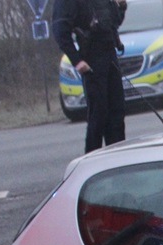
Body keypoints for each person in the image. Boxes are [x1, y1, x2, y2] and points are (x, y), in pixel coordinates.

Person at [53, 0, 128, 153]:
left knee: (117, 113)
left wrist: (121, 7)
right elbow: (60, 30)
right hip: (91, 58)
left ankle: (119, 159)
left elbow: (113, 22)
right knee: (98, 115)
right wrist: (77, 60)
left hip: (110, 55)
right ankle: (91, 161)